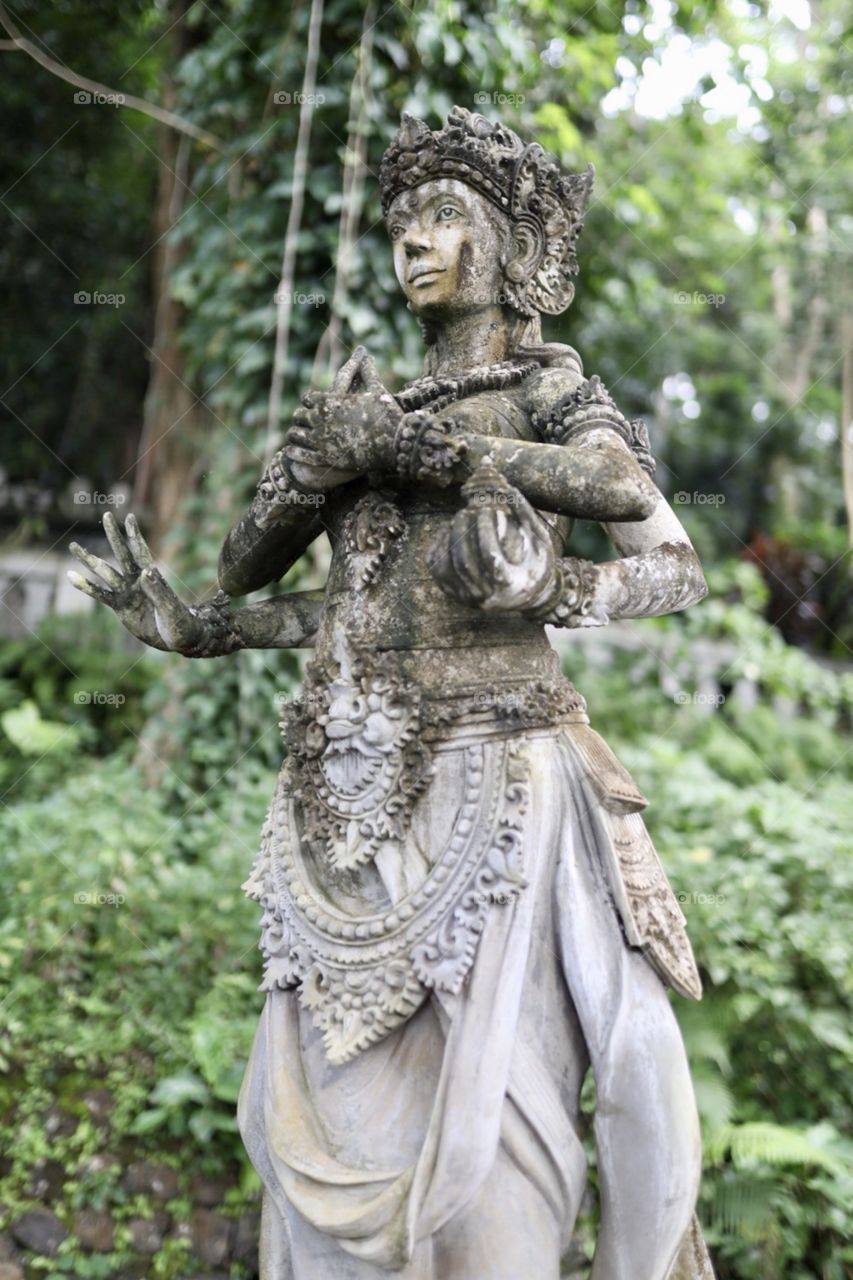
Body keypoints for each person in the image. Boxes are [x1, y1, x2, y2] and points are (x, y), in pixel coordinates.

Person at [70, 108, 714, 1280]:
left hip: (505, 796)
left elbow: (667, 553)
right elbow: (338, 605)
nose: (416, 241)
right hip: (345, 812)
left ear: (514, 247)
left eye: (446, 216)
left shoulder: (545, 390)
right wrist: (207, 622)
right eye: (402, 220)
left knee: (588, 1102)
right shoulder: (366, 406)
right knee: (322, 1141)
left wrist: (531, 570)